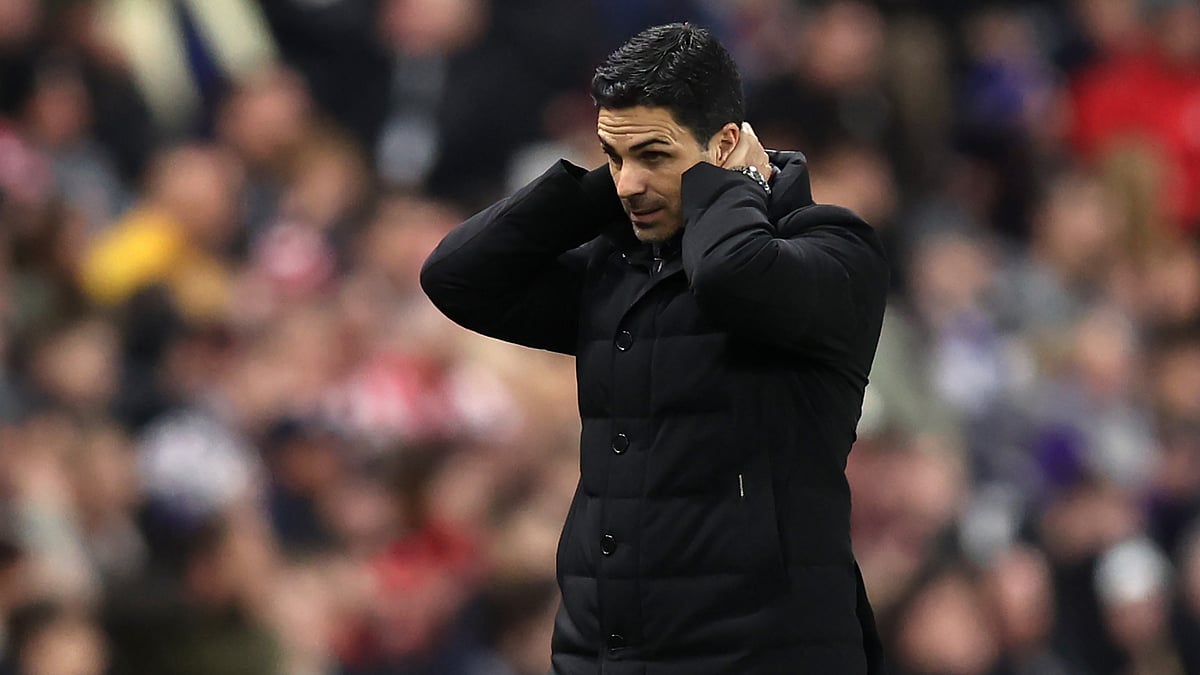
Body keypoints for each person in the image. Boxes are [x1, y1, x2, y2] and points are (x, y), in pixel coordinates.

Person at [421, 22, 888, 674]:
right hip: (607, 654)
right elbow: (456, 276)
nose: (628, 182)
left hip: (764, 656)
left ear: (726, 144)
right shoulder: (619, 269)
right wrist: (598, 192)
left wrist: (739, 187)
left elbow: (730, 276)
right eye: (614, 155)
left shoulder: (834, 250)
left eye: (654, 154)